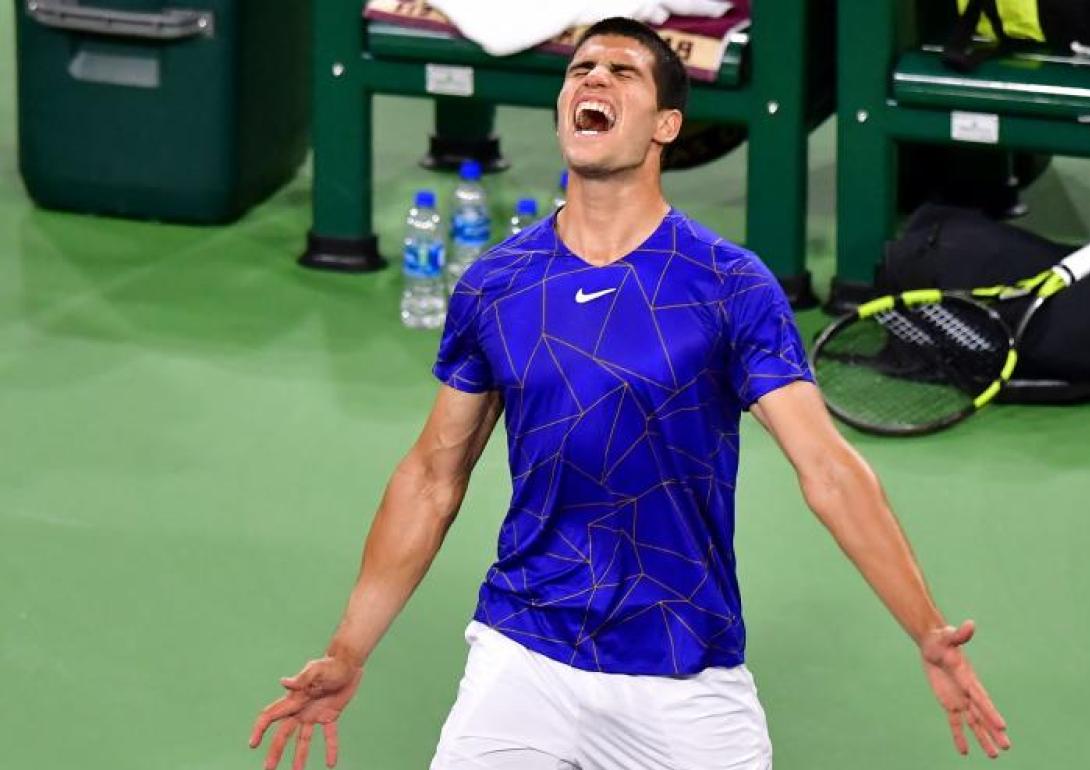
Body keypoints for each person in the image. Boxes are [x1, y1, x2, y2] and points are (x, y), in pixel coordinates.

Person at [249, 17, 1010, 770]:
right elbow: (429, 478)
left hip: (685, 670)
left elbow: (829, 469)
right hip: (526, 650)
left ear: (665, 125)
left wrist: (926, 630)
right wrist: (348, 650)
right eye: (581, 70)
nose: (594, 79)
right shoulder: (498, 284)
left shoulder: (728, 284)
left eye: (623, 73)